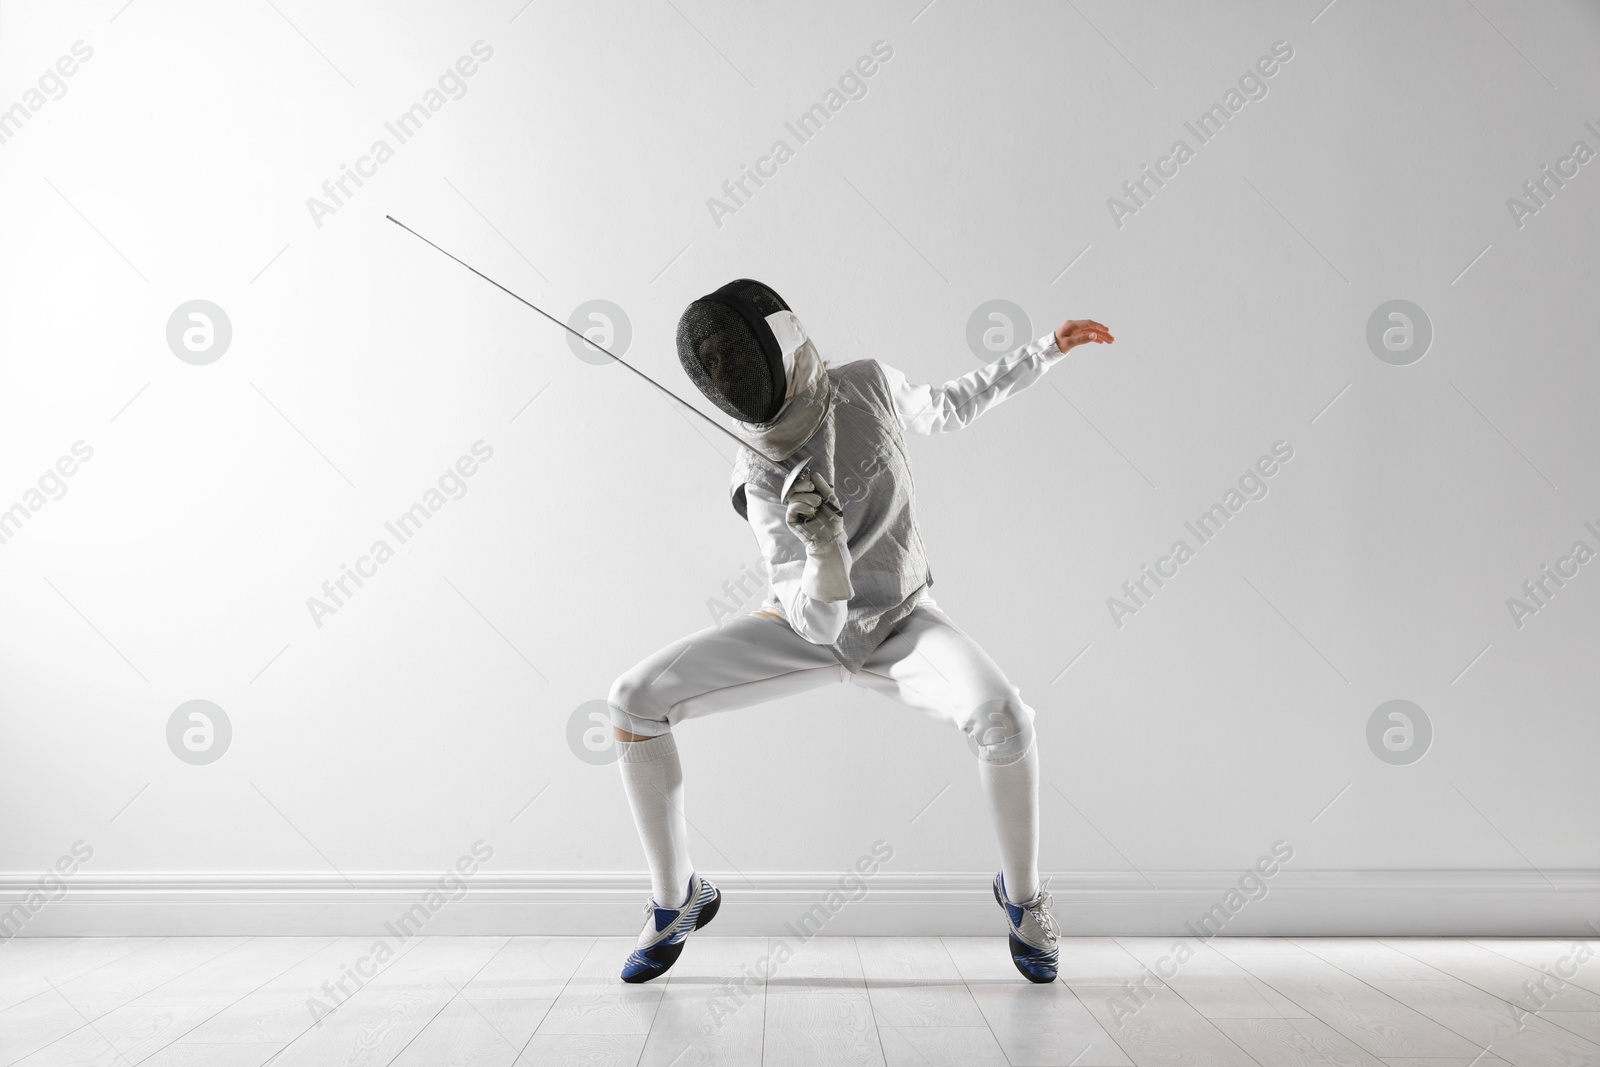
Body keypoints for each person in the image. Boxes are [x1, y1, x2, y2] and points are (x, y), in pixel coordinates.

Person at [607, 279, 1113, 984]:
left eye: (732, 353)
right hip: (803, 627)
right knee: (633, 699)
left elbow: (950, 405)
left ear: (775, 339)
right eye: (713, 363)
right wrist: (820, 546)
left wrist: (1043, 351)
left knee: (1007, 719)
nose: (727, 373)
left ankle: (1023, 897)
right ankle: (676, 899)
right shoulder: (759, 470)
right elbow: (819, 622)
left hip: (902, 620)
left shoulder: (870, 385)